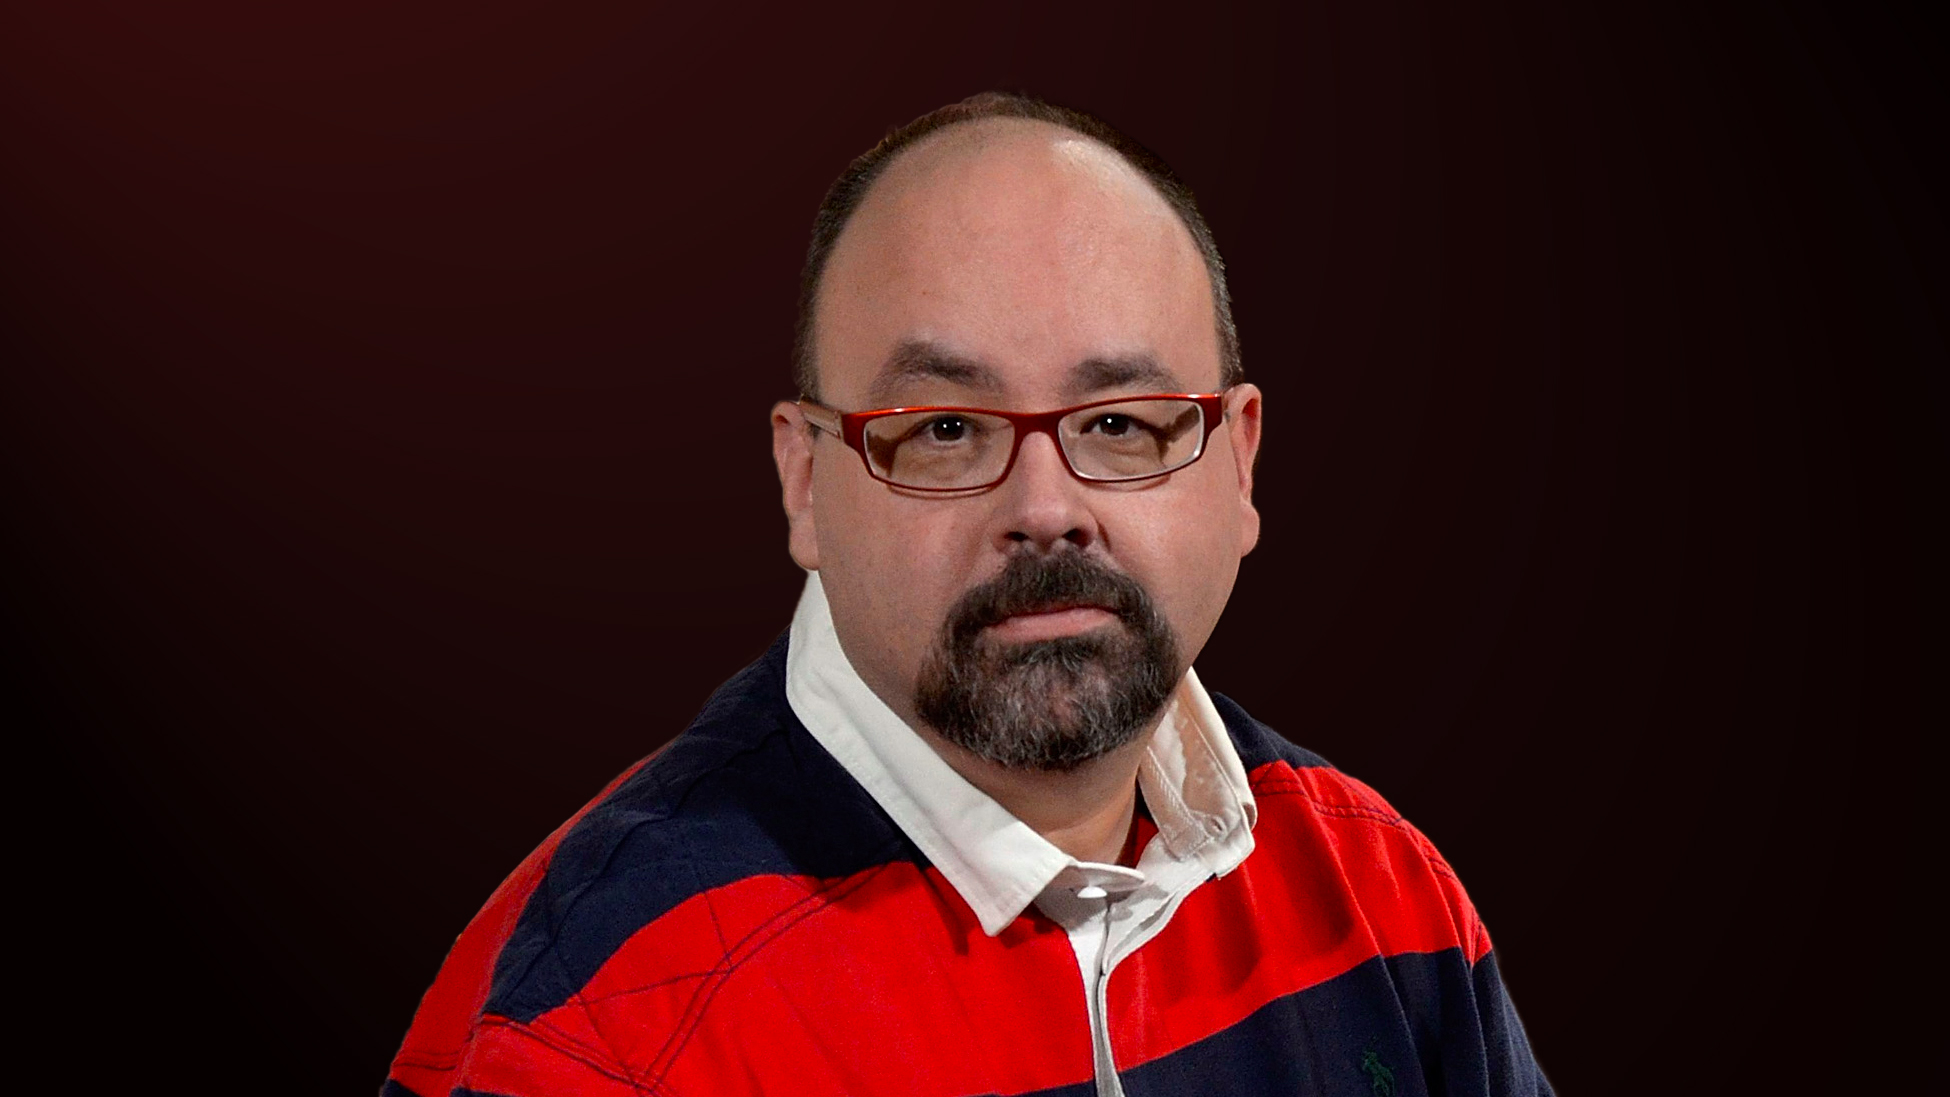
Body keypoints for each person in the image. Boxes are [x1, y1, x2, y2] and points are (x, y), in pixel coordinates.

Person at [384, 92, 1551, 1097]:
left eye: (1120, 422)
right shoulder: (600, 1025)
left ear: (1240, 463)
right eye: (945, 428)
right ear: (804, 481)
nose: (1046, 506)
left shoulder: (1381, 894)